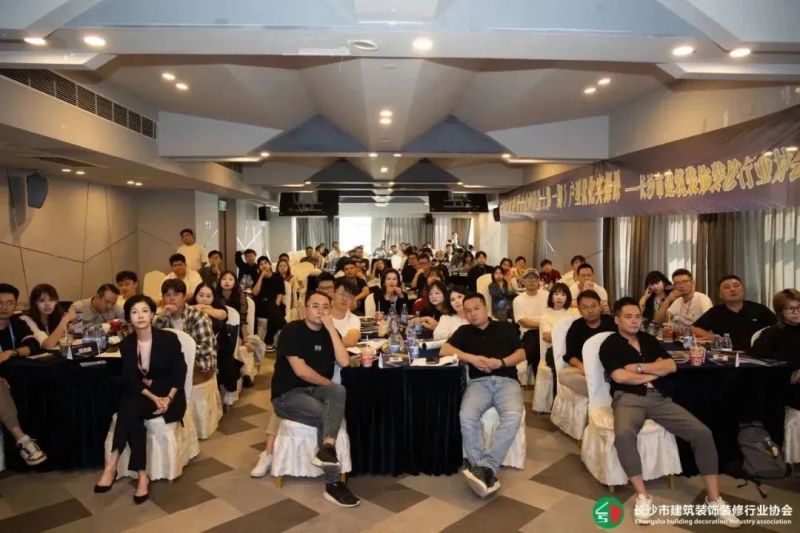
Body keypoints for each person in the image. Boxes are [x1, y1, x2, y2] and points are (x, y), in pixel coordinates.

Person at [599, 298, 740, 527]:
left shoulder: (648, 339)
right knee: (624, 434)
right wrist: (655, 372)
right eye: (628, 316)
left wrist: (639, 368)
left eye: (638, 316)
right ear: (617, 319)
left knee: (702, 432)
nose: (635, 321)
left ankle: (714, 499)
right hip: (628, 398)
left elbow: (671, 366)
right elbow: (620, 377)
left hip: (659, 398)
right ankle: (643, 496)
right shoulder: (609, 344)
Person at [269, 290, 360, 507]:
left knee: (339, 392)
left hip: (315, 391)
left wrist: (331, 329)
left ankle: (326, 448)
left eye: (325, 307)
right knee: (327, 416)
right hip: (288, 395)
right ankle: (333, 484)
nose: (320, 311)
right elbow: (301, 371)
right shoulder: (292, 330)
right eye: (315, 306)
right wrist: (328, 384)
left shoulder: (329, 332)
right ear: (305, 308)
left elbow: (344, 361)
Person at [94, 295, 186, 504]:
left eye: (145, 311)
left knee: (128, 410)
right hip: (144, 393)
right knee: (131, 409)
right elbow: (131, 379)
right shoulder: (127, 344)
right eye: (134, 312)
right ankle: (142, 475)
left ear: (153, 314)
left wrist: (168, 398)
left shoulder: (168, 339)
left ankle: (112, 464)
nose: (141, 316)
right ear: (128, 318)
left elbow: (180, 371)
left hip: (169, 393)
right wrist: (153, 397)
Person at [440, 293, 525, 498]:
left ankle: (486, 468)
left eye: (476, 309)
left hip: (507, 381)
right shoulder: (464, 331)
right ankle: (481, 468)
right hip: (478, 383)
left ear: (486, 308)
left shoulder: (505, 327)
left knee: (513, 416)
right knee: (466, 416)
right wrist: (472, 358)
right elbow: (444, 349)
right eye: (468, 311)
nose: (472, 314)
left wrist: (500, 362)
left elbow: (521, 354)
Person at [0, 283, 47, 465]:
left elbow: (33, 346)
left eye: (9, 303)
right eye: (0, 302)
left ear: (15, 305)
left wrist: (13, 352)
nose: (4, 307)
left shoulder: (17, 323)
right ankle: (23, 441)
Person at [154, 279, 216, 384]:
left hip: (200, 366)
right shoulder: (163, 316)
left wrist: (177, 354)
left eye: (176, 294)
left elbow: (206, 347)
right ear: (163, 298)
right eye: (168, 295)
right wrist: (161, 316)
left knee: (168, 381)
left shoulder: (197, 315)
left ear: (184, 297)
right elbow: (153, 341)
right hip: (172, 365)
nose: (172, 298)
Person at [692, 275, 776, 351]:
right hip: (727, 354)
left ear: (743, 290)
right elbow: (694, 328)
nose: (732, 289)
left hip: (757, 354)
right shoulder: (715, 312)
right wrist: (714, 338)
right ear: (720, 295)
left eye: (736, 286)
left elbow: (777, 326)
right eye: (726, 287)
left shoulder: (759, 309)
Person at [190, 284, 242, 404]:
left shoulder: (219, 308)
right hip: (195, 347)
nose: (204, 299)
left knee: (224, 364)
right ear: (195, 295)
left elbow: (222, 315)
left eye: (208, 296)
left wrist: (205, 309)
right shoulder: (189, 308)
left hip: (218, 348)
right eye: (201, 295)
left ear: (214, 297)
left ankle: (215, 400)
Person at [751, 289, 800, 410]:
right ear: (780, 311)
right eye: (790, 308)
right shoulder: (771, 333)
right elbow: (757, 354)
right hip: (786, 382)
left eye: (799, 307)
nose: (796, 312)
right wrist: (793, 368)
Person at [562, 290, 616, 396]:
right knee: (565, 376)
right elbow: (571, 356)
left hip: (612, 368)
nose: (590, 310)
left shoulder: (612, 322)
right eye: (585, 307)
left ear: (600, 306)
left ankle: (601, 390)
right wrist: (584, 369)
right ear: (579, 310)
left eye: (593, 306)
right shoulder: (576, 327)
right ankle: (603, 392)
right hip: (587, 371)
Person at [513, 270, 548, 378]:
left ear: (538, 281)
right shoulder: (518, 300)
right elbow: (524, 322)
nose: (531, 281)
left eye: (534, 278)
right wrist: (543, 324)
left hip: (548, 329)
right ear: (523, 281)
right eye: (528, 278)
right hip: (529, 331)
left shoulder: (547, 295)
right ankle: (538, 379)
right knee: (534, 349)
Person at [22, 284, 75, 350]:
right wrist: (65, 320)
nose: (47, 304)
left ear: (56, 301)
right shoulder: (26, 319)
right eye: (42, 300)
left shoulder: (57, 315)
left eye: (51, 300)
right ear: (34, 302)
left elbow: (67, 338)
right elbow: (47, 345)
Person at [251, 257, 285, 351]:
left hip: (276, 304)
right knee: (270, 306)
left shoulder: (278, 277)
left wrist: (275, 306)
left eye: (265, 263)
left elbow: (280, 294)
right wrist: (261, 277)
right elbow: (255, 293)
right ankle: (285, 328)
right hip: (261, 305)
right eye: (261, 264)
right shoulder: (257, 277)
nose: (264, 265)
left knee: (272, 308)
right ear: (259, 267)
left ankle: (268, 340)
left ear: (270, 264)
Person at [330, 278, 361, 348]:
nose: (345, 299)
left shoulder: (354, 319)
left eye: (349, 296)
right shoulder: (323, 315)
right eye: (341, 294)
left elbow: (350, 342)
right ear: (333, 293)